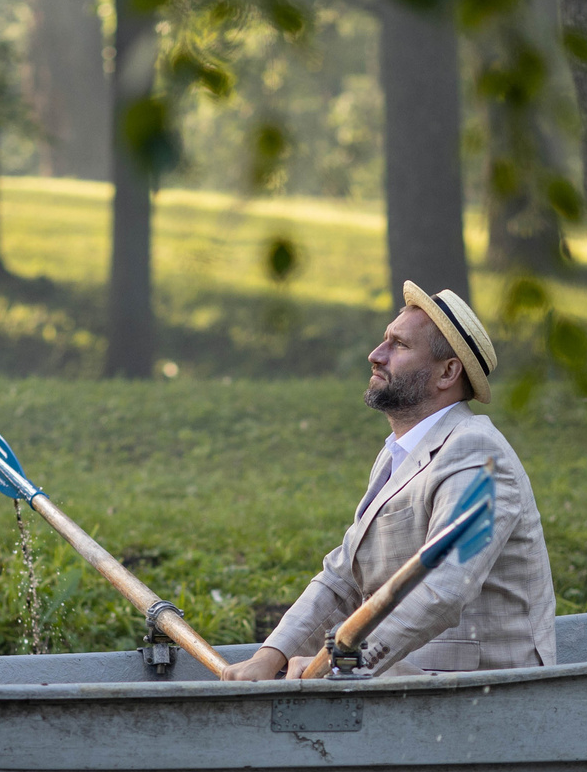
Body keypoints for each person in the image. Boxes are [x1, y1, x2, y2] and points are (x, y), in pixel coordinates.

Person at [224, 282, 557, 680]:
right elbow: (342, 577)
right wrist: (270, 656)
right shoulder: (396, 453)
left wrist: (345, 663)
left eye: (398, 345)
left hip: (480, 690)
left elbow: (445, 588)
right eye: (384, 341)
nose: (375, 355)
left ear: (448, 372)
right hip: (410, 676)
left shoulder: (479, 454)